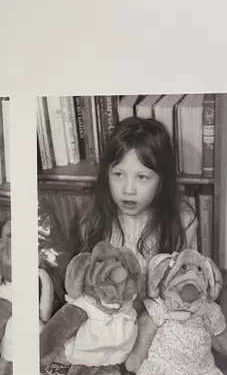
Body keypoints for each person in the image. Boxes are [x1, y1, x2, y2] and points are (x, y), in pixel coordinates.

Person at [77, 116, 198, 275]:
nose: (128, 190)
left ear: (162, 180)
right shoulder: (93, 219)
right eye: (119, 174)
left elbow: (187, 278)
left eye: (141, 177)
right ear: (107, 175)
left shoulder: (182, 221)